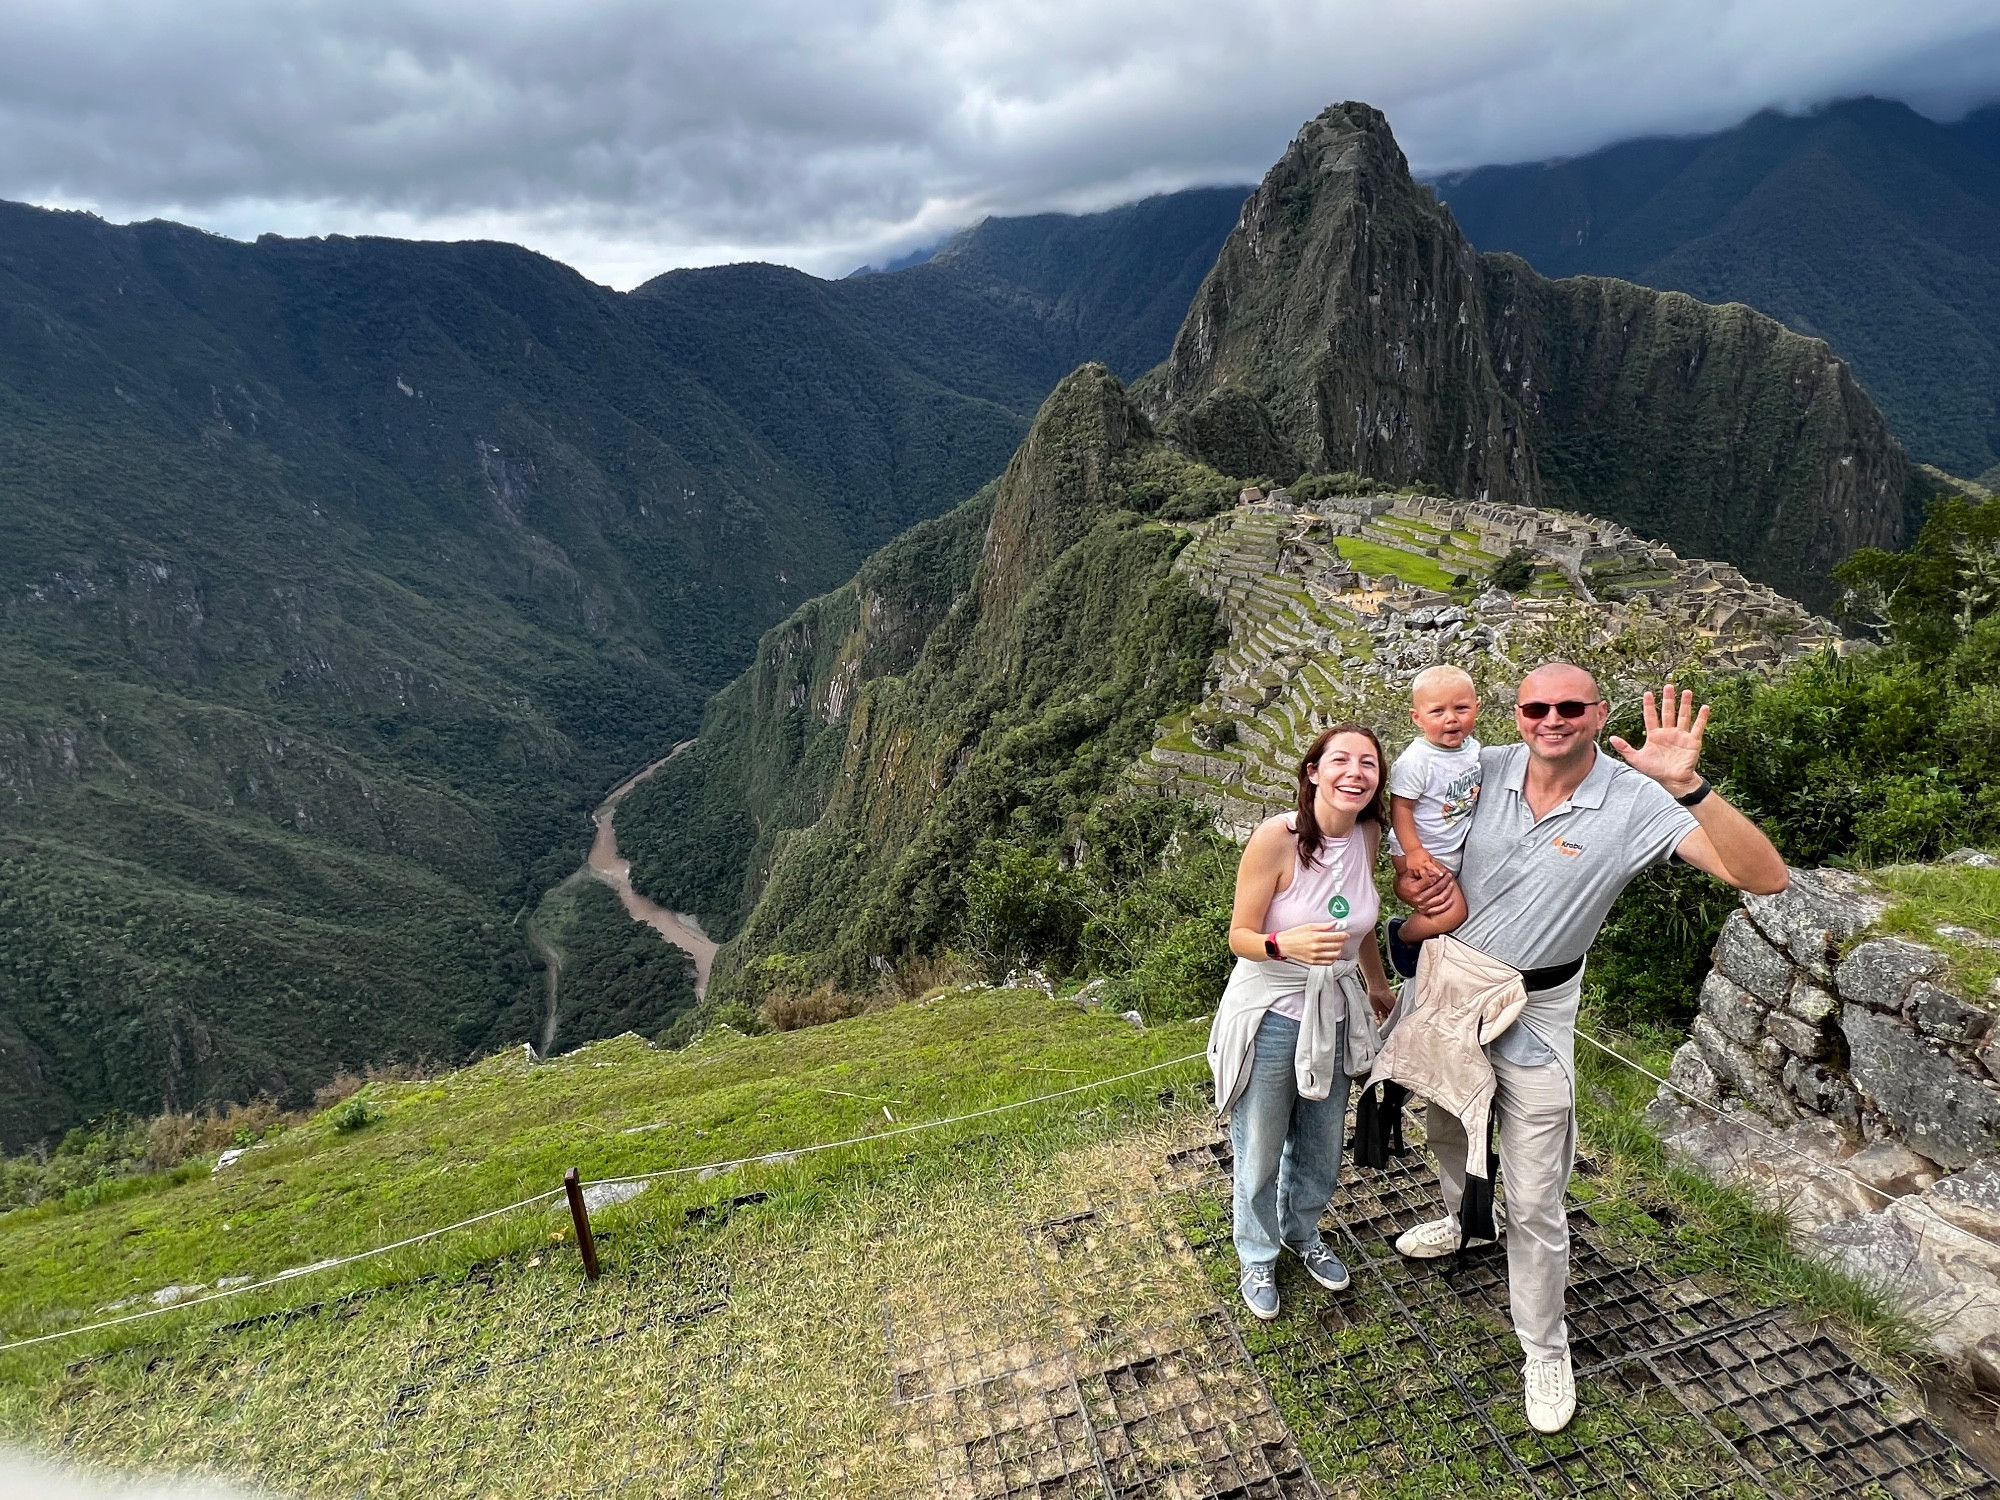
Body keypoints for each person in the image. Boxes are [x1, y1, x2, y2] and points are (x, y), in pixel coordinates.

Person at [1393, 666, 1787, 1435]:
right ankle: (1467, 1221)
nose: (1552, 720)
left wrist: (1689, 787)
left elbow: (1762, 876)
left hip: (1536, 1013)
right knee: (1444, 1129)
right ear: (1515, 714)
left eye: (1570, 707)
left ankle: (1544, 1348)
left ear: (1598, 714)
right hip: (1447, 991)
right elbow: (1398, 806)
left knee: (1538, 1198)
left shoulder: (1637, 799)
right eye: (1536, 707)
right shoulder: (1485, 766)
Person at [1208, 724, 1397, 1321]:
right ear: (1313, 772)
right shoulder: (1277, 839)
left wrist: (1376, 982)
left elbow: (1361, 924)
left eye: (1368, 763)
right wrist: (1282, 942)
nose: (1355, 772)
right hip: (1273, 1014)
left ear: (1376, 782)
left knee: (1319, 1145)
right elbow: (1240, 936)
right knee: (1260, 1145)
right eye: (1340, 760)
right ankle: (1257, 1253)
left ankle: (1302, 1232)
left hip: (1336, 1012)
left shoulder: (1368, 835)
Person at [1386, 664, 1482, 950]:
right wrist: (1414, 852)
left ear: (1477, 707)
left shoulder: (1471, 748)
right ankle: (1402, 939)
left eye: (1461, 708)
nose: (1451, 719)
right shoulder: (1416, 761)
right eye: (1438, 712)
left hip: (1449, 848)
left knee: (1445, 911)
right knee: (1453, 913)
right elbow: (1400, 808)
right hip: (1422, 852)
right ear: (1417, 718)